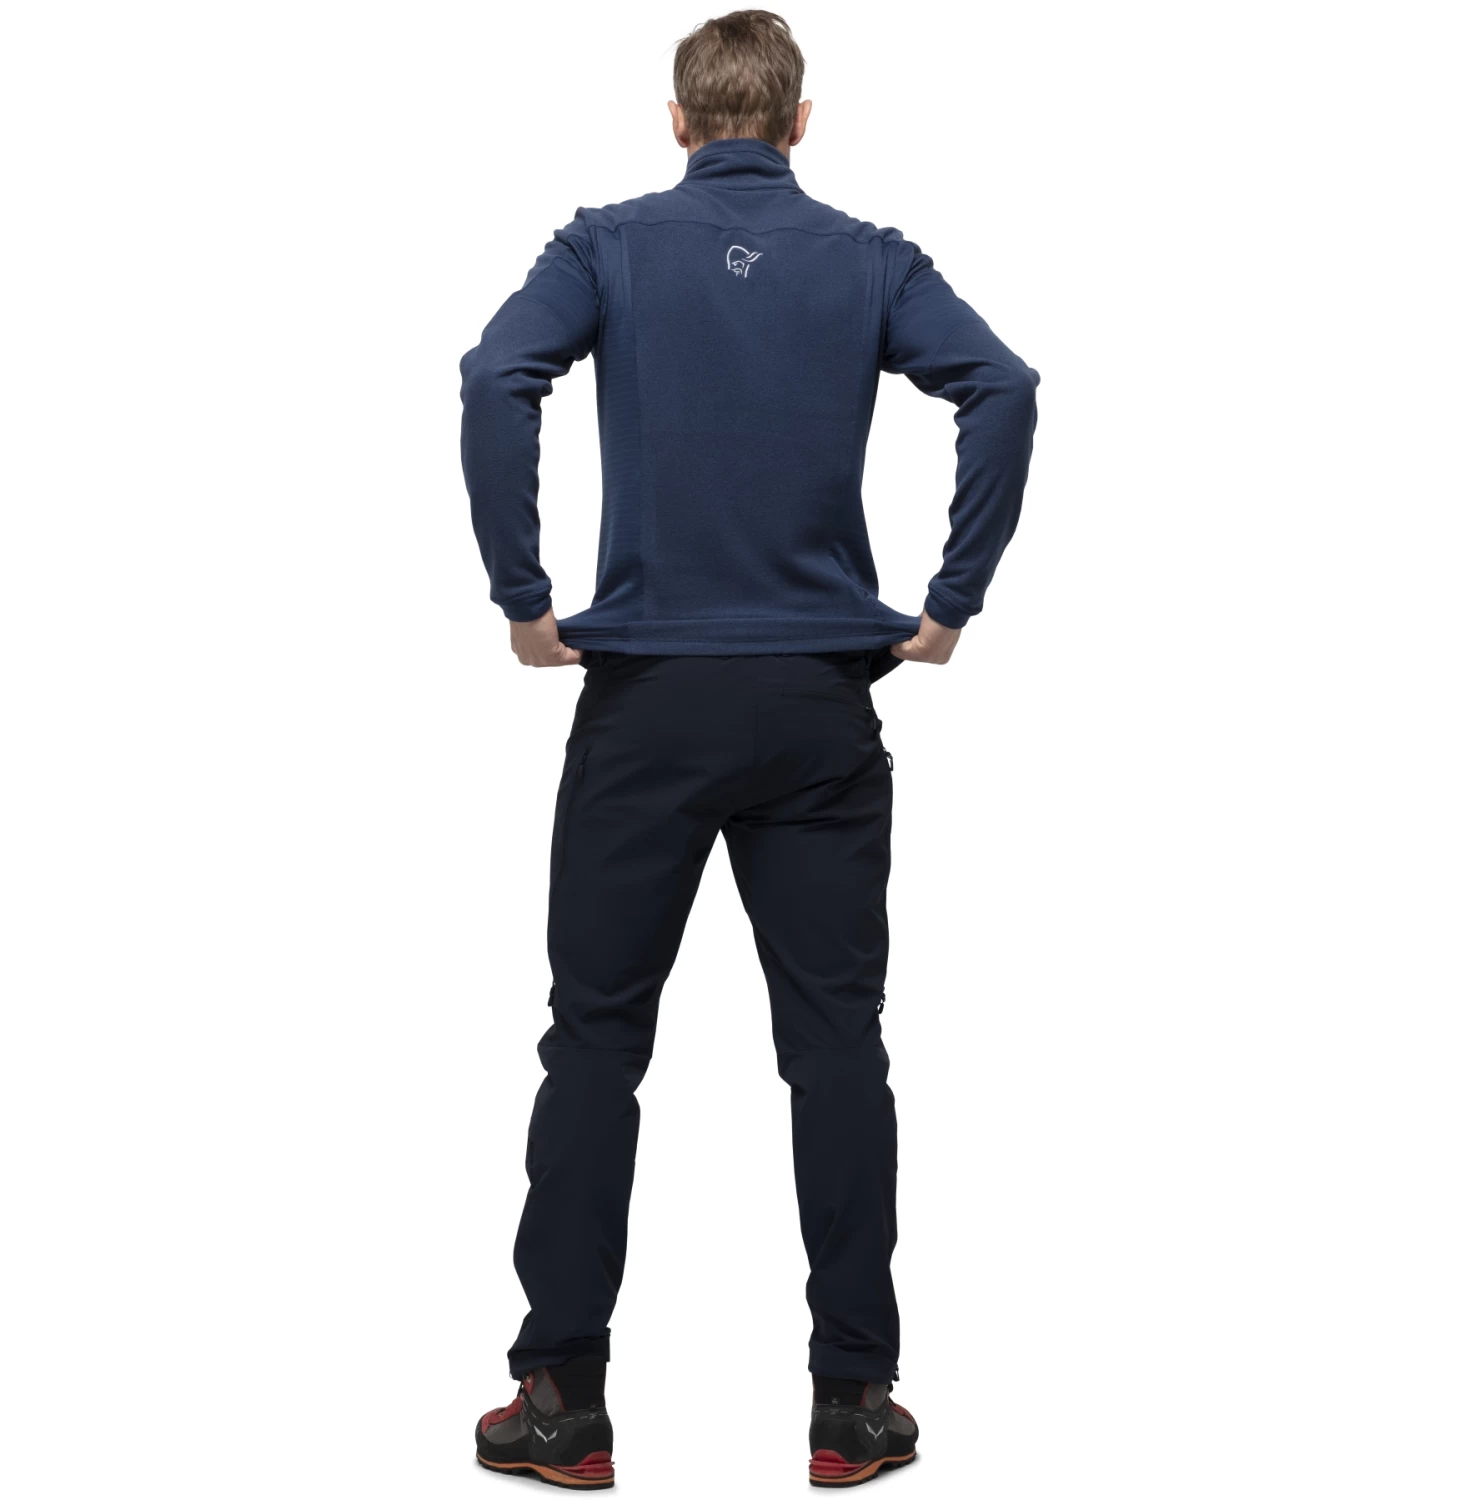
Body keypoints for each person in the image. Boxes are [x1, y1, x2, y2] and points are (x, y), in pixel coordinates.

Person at [459, 10, 1038, 1488]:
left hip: (647, 703)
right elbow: (1005, 386)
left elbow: (494, 376)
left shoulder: (604, 247)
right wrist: (950, 606)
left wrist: (525, 600)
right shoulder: (870, 260)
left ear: (676, 121)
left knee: (596, 1043)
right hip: (816, 706)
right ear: (799, 122)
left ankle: (561, 1402)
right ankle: (853, 1402)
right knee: (837, 1047)